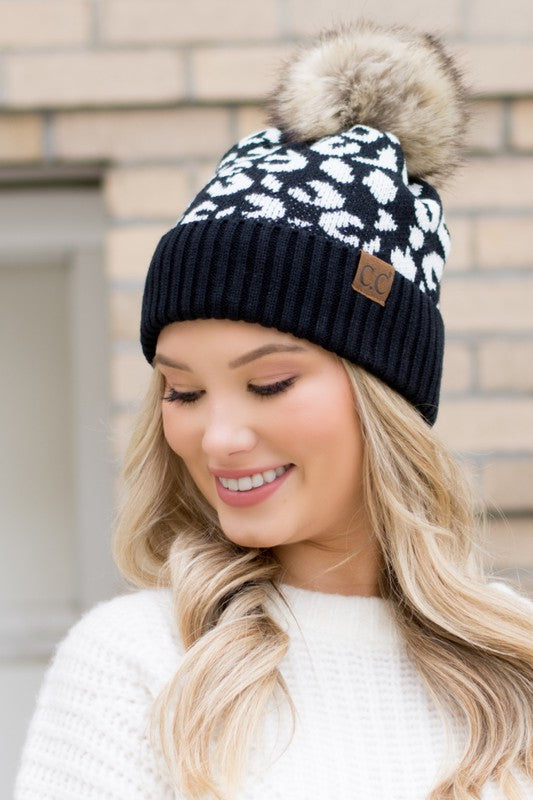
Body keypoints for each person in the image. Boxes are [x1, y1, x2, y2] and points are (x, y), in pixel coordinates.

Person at [15, 19, 533, 800]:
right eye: (182, 392)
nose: (218, 438)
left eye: (269, 384)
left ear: (383, 397)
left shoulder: (513, 660)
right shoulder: (140, 664)